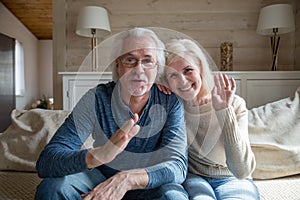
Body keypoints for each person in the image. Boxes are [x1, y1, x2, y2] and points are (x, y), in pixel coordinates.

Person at [35, 28, 188, 200]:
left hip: (148, 183)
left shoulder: (169, 101)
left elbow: (178, 165)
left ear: (157, 67)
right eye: (130, 60)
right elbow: (47, 161)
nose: (139, 70)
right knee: (53, 187)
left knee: (174, 197)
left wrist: (126, 179)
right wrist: (98, 155)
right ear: (118, 65)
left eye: (147, 61)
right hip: (99, 179)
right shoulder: (96, 98)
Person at [158, 38, 260, 199]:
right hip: (195, 178)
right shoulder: (172, 105)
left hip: (232, 178)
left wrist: (224, 111)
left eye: (188, 70)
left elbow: (242, 171)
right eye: (173, 75)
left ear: (201, 69)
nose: (183, 81)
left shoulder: (234, 103)